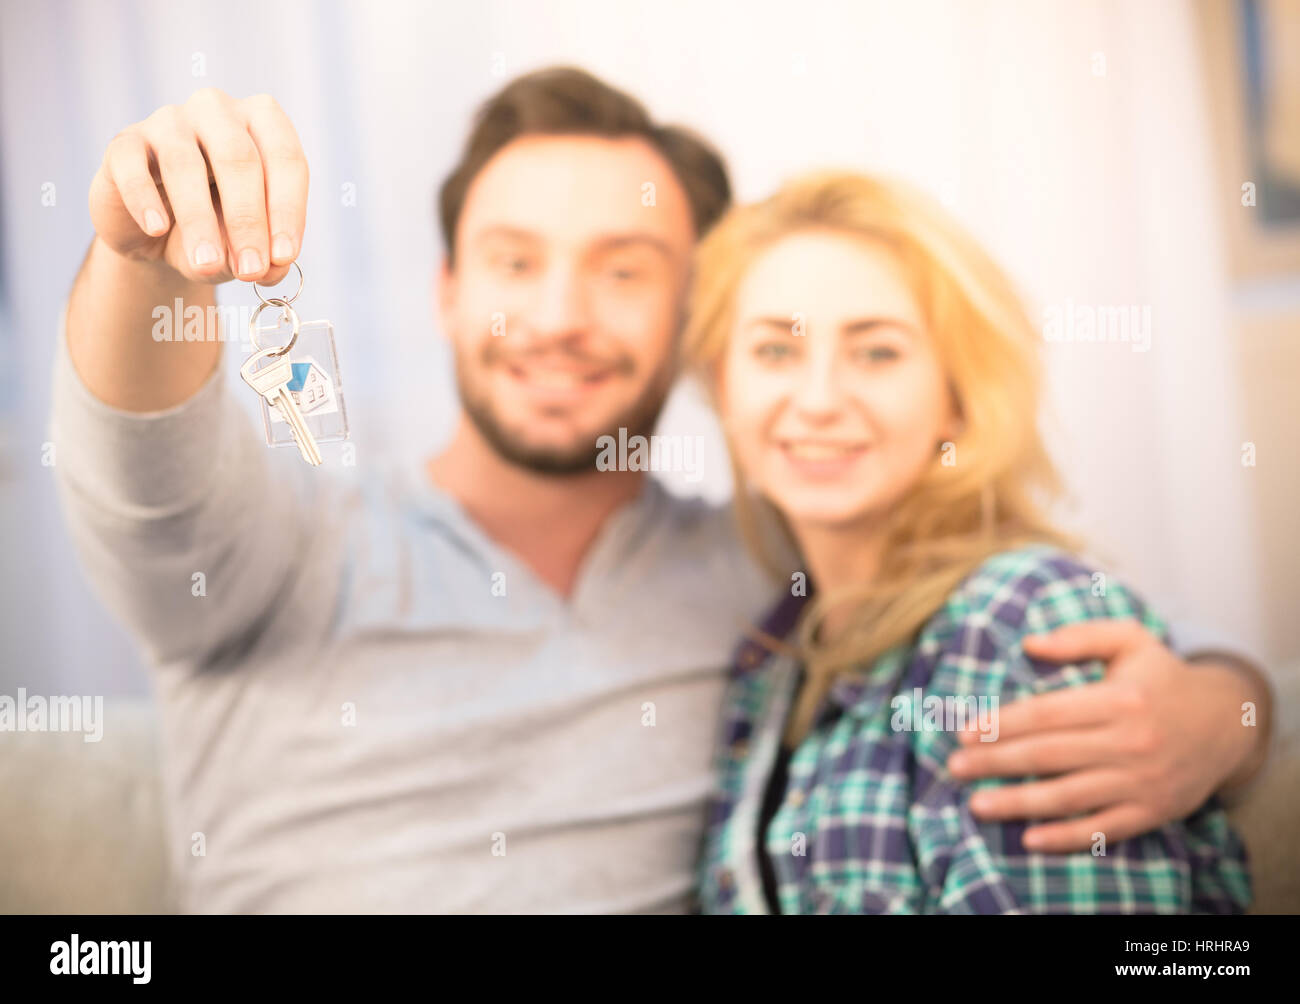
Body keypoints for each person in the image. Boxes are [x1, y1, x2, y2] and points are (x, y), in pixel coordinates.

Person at [52, 68, 1270, 912]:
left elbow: (1001, 607)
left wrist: (1230, 704)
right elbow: (146, 481)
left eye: (623, 269)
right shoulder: (281, 540)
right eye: (513, 261)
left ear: (696, 320)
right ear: (445, 292)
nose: (559, 316)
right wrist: (139, 256)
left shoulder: (769, 583)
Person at [685, 172, 1252, 913]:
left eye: (878, 352)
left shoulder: (1014, 620)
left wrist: (1237, 704)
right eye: (774, 351)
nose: (819, 399)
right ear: (723, 386)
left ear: (956, 398)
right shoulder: (770, 659)